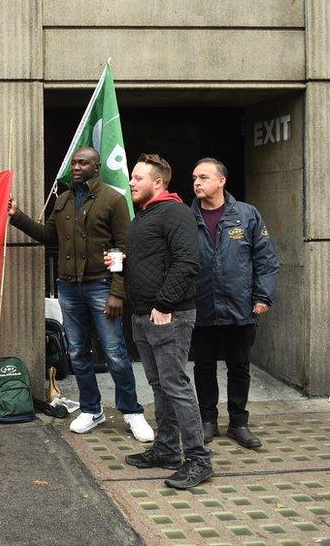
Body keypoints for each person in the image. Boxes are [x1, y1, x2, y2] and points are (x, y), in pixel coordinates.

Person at [9, 146, 153, 442]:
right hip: (69, 287)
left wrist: (118, 292)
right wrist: (17, 216)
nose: (75, 167)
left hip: (101, 286)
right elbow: (48, 236)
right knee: (77, 352)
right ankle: (91, 409)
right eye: (74, 162)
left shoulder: (113, 200)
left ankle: (132, 412)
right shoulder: (62, 201)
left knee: (115, 353)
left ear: (96, 167)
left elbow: (124, 248)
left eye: (82, 162)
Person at [113, 153, 213, 490]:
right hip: (143, 315)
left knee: (175, 386)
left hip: (169, 314)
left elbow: (186, 262)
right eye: (131, 177)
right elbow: (155, 262)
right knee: (160, 386)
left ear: (158, 183)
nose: (131, 182)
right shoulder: (144, 216)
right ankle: (168, 449)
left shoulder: (176, 212)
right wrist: (123, 263)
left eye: (137, 178)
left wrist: (165, 303)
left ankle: (199, 460)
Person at [189, 158, 279, 449]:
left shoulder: (247, 214)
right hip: (200, 307)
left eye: (203, 177)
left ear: (221, 181)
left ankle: (238, 423)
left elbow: (266, 260)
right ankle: (207, 421)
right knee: (203, 366)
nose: (197, 183)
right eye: (194, 178)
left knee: (239, 367)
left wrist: (262, 297)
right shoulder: (186, 218)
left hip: (240, 308)